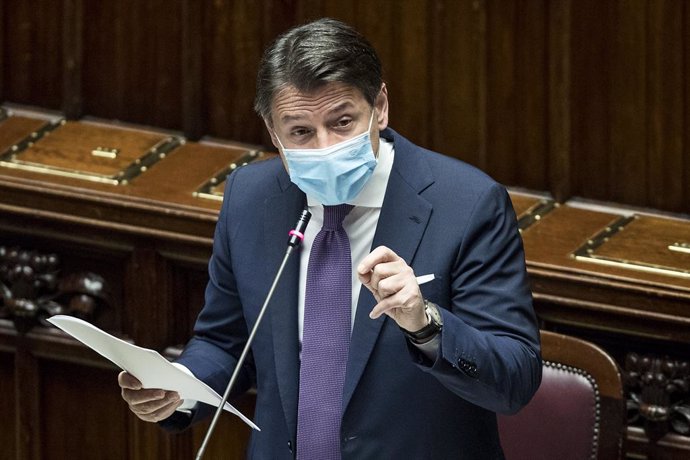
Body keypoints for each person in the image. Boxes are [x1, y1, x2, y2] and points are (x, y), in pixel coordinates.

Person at [119, 17, 541, 459]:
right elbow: (227, 342)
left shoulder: (468, 204)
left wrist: (425, 323)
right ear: (272, 131)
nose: (324, 148)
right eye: (300, 132)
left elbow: (514, 380)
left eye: (342, 123)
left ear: (379, 106)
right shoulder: (250, 197)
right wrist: (176, 387)